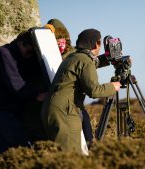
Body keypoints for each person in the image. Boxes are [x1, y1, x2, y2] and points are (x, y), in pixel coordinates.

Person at [41, 28, 121, 153]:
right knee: (70, 154)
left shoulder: (73, 57)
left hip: (53, 109)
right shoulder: (85, 61)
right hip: (65, 112)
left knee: (60, 153)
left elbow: (87, 64)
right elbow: (94, 91)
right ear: (96, 44)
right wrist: (113, 86)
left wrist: (108, 59)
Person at [0, 29, 47, 153]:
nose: (30, 55)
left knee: (7, 157)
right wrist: (37, 95)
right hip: (3, 114)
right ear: (21, 43)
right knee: (26, 151)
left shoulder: (21, 57)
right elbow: (16, 85)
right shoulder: (4, 54)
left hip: (8, 114)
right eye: (30, 51)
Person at [44, 19, 94, 148]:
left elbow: (87, 66)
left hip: (76, 103)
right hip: (60, 105)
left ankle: (91, 150)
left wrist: (107, 58)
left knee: (86, 127)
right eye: (57, 39)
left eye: (62, 39)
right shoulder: (47, 55)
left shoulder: (73, 54)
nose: (60, 43)